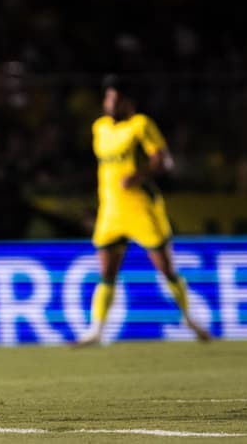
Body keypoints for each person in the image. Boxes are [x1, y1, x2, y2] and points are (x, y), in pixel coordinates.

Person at [75, 74, 211, 346]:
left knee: (167, 269)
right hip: (111, 210)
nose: (110, 103)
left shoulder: (141, 125)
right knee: (107, 273)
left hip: (142, 209)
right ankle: (97, 330)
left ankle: (188, 317)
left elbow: (165, 161)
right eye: (107, 97)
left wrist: (138, 176)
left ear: (128, 103)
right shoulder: (99, 128)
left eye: (115, 98)